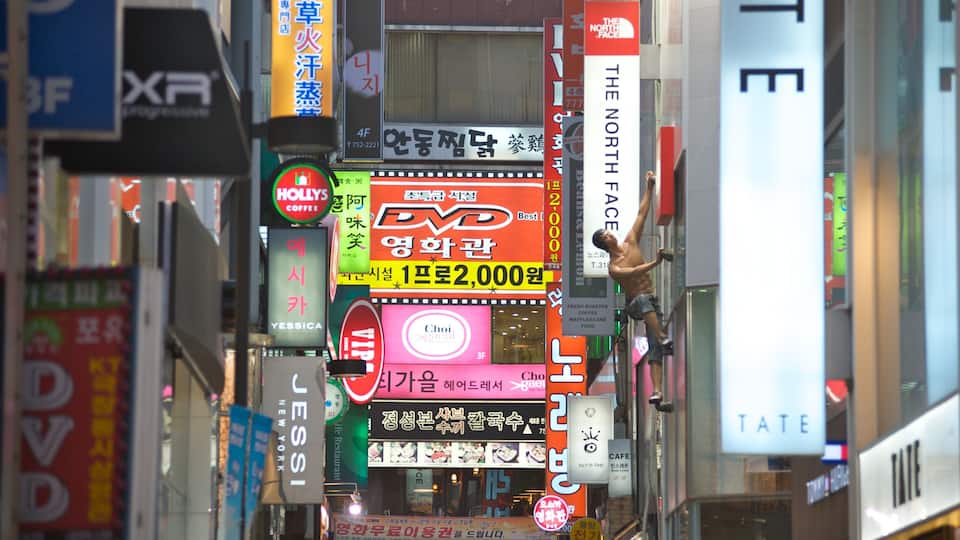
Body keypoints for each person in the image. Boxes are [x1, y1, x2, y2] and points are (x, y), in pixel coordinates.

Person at [591, 170, 673, 405]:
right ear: (604, 244)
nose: (611, 235)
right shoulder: (614, 267)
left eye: (608, 231)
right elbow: (634, 272)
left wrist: (649, 187)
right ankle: (663, 336)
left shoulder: (631, 241)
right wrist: (656, 262)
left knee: (655, 349)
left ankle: (657, 392)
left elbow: (642, 213)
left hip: (651, 300)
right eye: (606, 236)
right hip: (635, 304)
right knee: (642, 302)